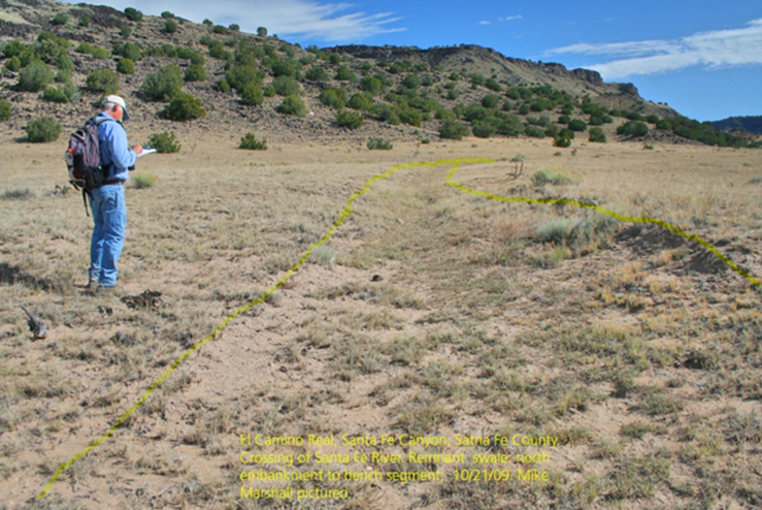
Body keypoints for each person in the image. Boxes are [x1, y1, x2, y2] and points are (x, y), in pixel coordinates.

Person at [87, 95, 143, 291]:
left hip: (93, 187)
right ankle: (108, 281)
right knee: (115, 234)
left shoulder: (91, 125)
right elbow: (121, 160)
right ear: (116, 108)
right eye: (122, 113)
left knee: (100, 232)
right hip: (111, 186)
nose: (122, 117)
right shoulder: (113, 127)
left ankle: (94, 276)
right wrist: (135, 153)